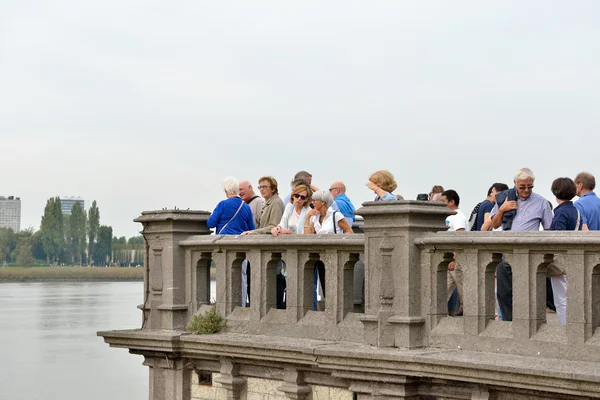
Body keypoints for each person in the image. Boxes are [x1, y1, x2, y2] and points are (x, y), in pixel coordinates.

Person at [490, 168, 553, 321]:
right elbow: (495, 224)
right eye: (522, 187)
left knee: (527, 291)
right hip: (507, 251)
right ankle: (508, 321)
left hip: (530, 253)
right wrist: (502, 209)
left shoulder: (541, 202)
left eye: (530, 187)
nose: (526, 190)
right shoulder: (504, 199)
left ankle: (529, 322)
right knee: (504, 292)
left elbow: (549, 229)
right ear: (515, 184)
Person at [304, 189, 353, 310]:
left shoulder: (336, 216)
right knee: (324, 285)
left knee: (332, 287)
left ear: (323, 202)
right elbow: (307, 236)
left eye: (314, 200)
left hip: (333, 256)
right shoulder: (316, 218)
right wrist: (307, 218)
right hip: (319, 257)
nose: (312, 202)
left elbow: (349, 231)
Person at [547, 177, 583, 326]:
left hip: (560, 260)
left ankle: (566, 328)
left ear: (555, 192)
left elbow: (558, 237)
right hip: (573, 258)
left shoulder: (560, 213)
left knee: (561, 299)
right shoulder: (575, 210)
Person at [238, 180, 265, 307]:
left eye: (242, 189)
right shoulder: (242, 204)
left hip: (255, 246)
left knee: (253, 279)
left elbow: (262, 223)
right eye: (238, 190)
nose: (240, 192)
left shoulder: (258, 202)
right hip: (245, 248)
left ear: (250, 188)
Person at [440, 189, 467, 316]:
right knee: (445, 287)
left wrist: (455, 258)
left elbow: (460, 237)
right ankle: (436, 308)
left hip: (456, 258)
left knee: (461, 286)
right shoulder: (449, 216)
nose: (441, 203)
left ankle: (467, 310)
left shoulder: (458, 216)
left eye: (443, 201)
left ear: (452, 202)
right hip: (448, 258)